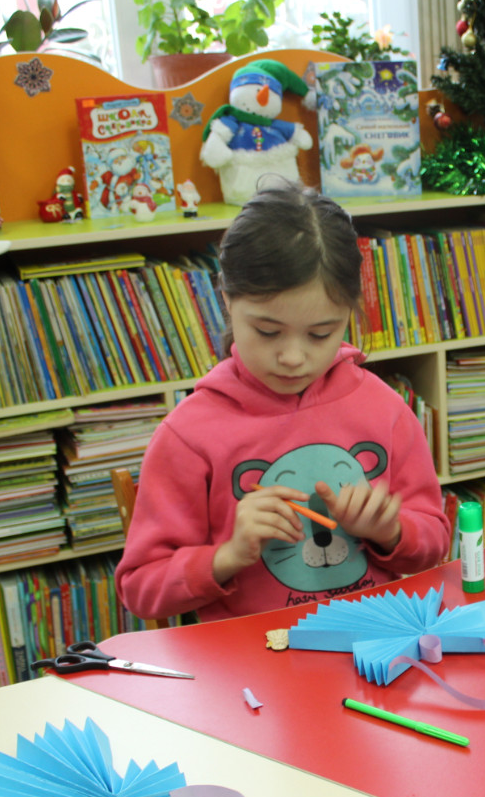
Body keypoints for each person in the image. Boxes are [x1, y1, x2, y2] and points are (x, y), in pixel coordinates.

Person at [117, 181, 450, 621]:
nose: (293, 357)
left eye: (320, 334)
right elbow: (140, 588)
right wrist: (227, 556)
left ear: (348, 315)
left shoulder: (383, 409)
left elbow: (434, 542)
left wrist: (391, 531)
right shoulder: (189, 435)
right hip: (250, 656)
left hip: (374, 640)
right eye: (268, 332)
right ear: (226, 299)